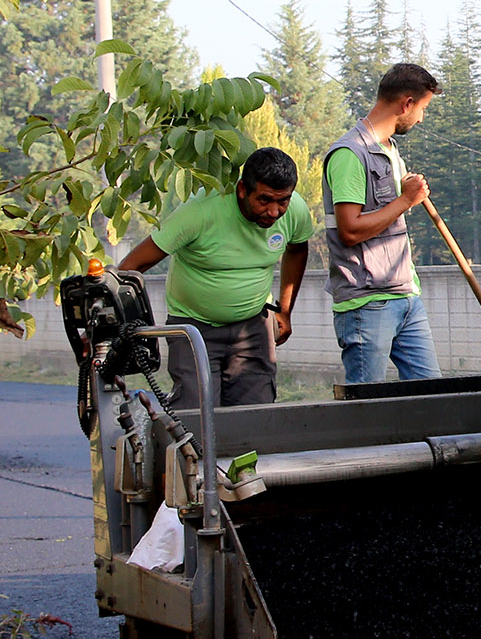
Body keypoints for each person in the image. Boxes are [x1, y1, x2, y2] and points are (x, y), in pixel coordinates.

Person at [116, 146, 313, 409]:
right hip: (193, 327)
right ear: (242, 189)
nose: (274, 211)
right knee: (196, 419)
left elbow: (298, 249)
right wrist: (116, 325)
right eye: (264, 200)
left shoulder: (296, 210)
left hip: (253, 327)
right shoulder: (199, 210)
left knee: (255, 416)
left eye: (283, 201)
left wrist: (285, 311)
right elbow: (130, 266)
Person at [324, 62, 441, 385]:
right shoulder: (350, 155)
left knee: (433, 394)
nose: (421, 118)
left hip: (405, 294)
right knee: (367, 407)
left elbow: (390, 210)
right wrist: (405, 201)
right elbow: (349, 229)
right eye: (423, 109)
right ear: (406, 103)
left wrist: (407, 194)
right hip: (366, 302)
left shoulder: (390, 150)